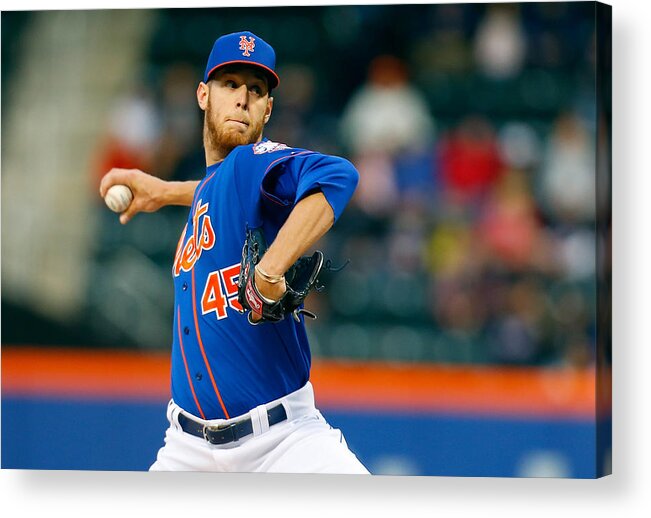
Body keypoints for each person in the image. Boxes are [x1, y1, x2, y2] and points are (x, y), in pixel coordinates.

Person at [100, 31, 369, 474]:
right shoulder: (220, 187)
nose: (243, 98)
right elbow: (216, 188)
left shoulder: (255, 161)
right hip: (186, 451)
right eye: (230, 84)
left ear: (268, 110)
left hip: (283, 444)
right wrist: (166, 191)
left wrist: (269, 269)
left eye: (257, 90)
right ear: (203, 95)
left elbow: (338, 175)